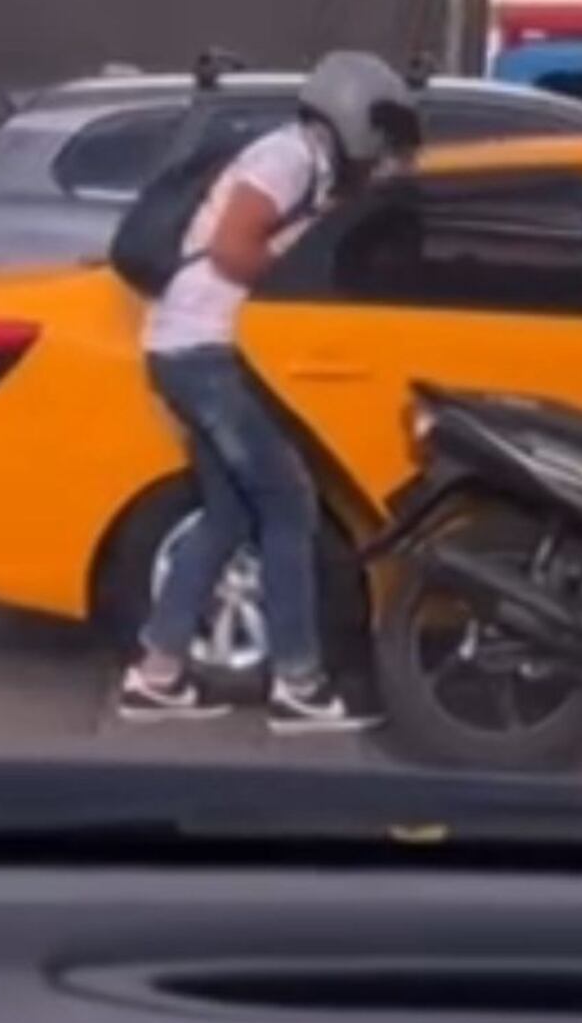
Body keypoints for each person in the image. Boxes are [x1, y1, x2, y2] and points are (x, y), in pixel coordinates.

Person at [117, 50, 422, 731]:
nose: (379, 147)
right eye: (380, 130)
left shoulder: (308, 163)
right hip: (206, 352)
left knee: (228, 515)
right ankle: (299, 684)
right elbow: (234, 249)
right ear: (353, 114)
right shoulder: (287, 158)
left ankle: (157, 676)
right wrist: (297, 280)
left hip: (188, 349)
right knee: (289, 507)